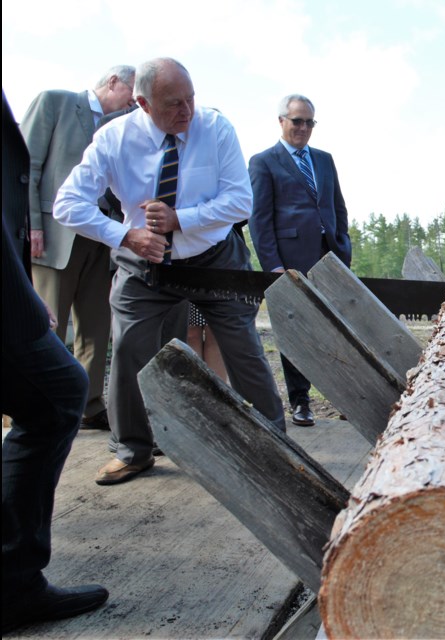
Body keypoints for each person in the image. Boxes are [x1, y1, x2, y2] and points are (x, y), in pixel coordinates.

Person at [53, 57, 285, 486]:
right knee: (127, 350)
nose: (187, 111)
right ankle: (133, 450)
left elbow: (240, 203)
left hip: (215, 259)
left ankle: (275, 445)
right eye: (173, 103)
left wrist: (181, 219)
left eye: (191, 98)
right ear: (142, 102)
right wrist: (126, 236)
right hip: (143, 264)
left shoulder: (216, 129)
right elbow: (68, 204)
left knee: (244, 347)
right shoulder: (113, 139)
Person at [2, 90, 109, 634]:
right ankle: (13, 582)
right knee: (55, 389)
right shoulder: (56, 102)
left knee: (71, 375)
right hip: (42, 249)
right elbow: (31, 171)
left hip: (85, 249)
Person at [19, 65, 137, 431]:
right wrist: (31, 226)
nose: (135, 101)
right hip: (55, 236)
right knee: (47, 323)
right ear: (113, 81)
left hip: (102, 242)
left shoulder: (126, 126)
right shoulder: (55, 103)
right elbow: (27, 166)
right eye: (132, 92)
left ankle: (86, 404)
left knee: (96, 328)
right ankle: (33, 404)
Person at [248, 94, 351, 427]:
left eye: (309, 122)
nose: (304, 128)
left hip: (329, 259)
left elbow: (337, 208)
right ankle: (301, 401)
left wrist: (342, 249)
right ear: (281, 121)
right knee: (296, 333)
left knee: (334, 330)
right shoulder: (263, 162)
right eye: (297, 121)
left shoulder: (324, 159)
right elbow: (259, 220)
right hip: (289, 261)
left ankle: (345, 399)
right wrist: (273, 266)